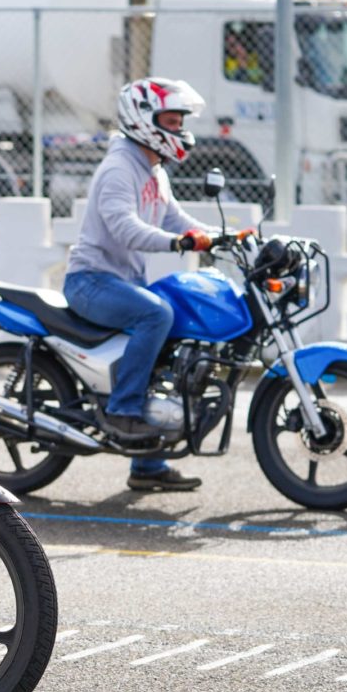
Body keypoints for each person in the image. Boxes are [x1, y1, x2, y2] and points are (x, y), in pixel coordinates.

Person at [62, 78, 216, 492]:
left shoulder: (152, 167)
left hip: (120, 280)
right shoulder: (119, 167)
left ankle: (148, 466)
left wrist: (223, 236)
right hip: (90, 282)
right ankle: (123, 409)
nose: (180, 128)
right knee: (157, 313)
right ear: (143, 119)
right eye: (171, 119)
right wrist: (178, 243)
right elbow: (126, 228)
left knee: (170, 334)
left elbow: (175, 218)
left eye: (181, 120)